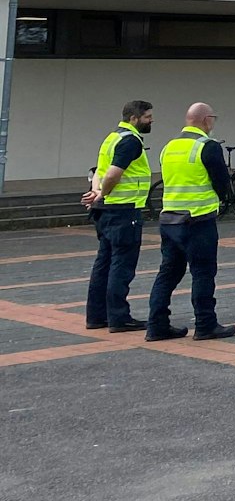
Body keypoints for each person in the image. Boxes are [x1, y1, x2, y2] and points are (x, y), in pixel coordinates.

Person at [144, 102, 235, 341]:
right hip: (198, 220)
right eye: (213, 118)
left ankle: (156, 326)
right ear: (206, 120)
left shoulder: (168, 147)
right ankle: (205, 324)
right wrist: (225, 198)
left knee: (168, 272)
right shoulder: (208, 146)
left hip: (170, 219)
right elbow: (222, 182)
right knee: (203, 273)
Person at [82, 99, 153, 332]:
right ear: (134, 118)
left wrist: (96, 192)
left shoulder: (112, 137)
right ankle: (119, 318)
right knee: (121, 266)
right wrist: (102, 193)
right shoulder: (131, 141)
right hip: (124, 210)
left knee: (103, 264)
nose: (151, 120)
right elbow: (112, 174)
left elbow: (97, 171)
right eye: (147, 117)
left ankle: (96, 316)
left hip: (106, 213)